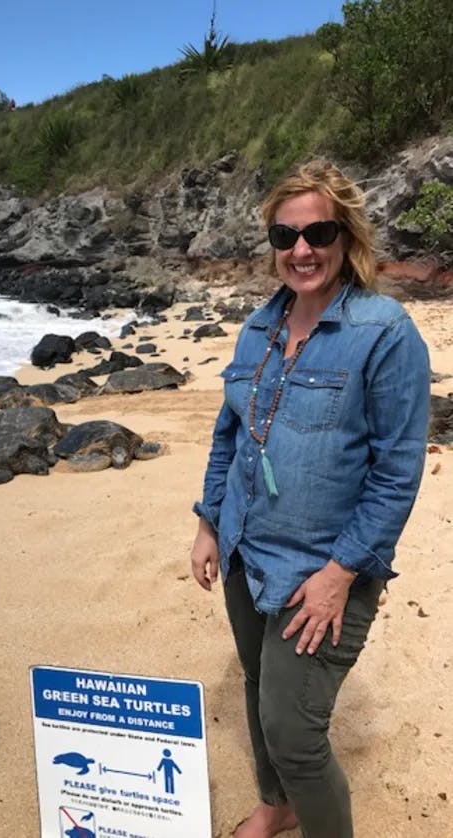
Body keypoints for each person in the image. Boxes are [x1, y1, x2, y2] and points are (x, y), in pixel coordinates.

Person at [190, 160, 430, 838]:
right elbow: (230, 431)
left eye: (318, 232)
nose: (301, 250)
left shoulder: (383, 334)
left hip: (324, 568)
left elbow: (396, 473)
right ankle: (278, 804)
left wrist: (339, 574)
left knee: (294, 731)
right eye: (285, 235)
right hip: (244, 548)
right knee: (259, 685)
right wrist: (209, 523)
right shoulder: (258, 328)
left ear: (345, 235)